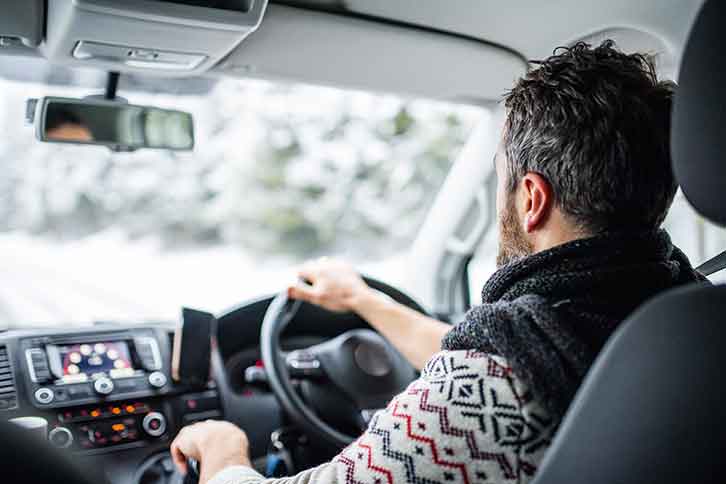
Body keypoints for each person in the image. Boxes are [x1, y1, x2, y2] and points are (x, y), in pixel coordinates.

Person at [170, 40, 706, 484]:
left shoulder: (492, 396)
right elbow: (506, 355)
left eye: (500, 181)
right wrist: (362, 301)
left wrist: (224, 449)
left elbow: (485, 379)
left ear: (531, 198)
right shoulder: (685, 316)